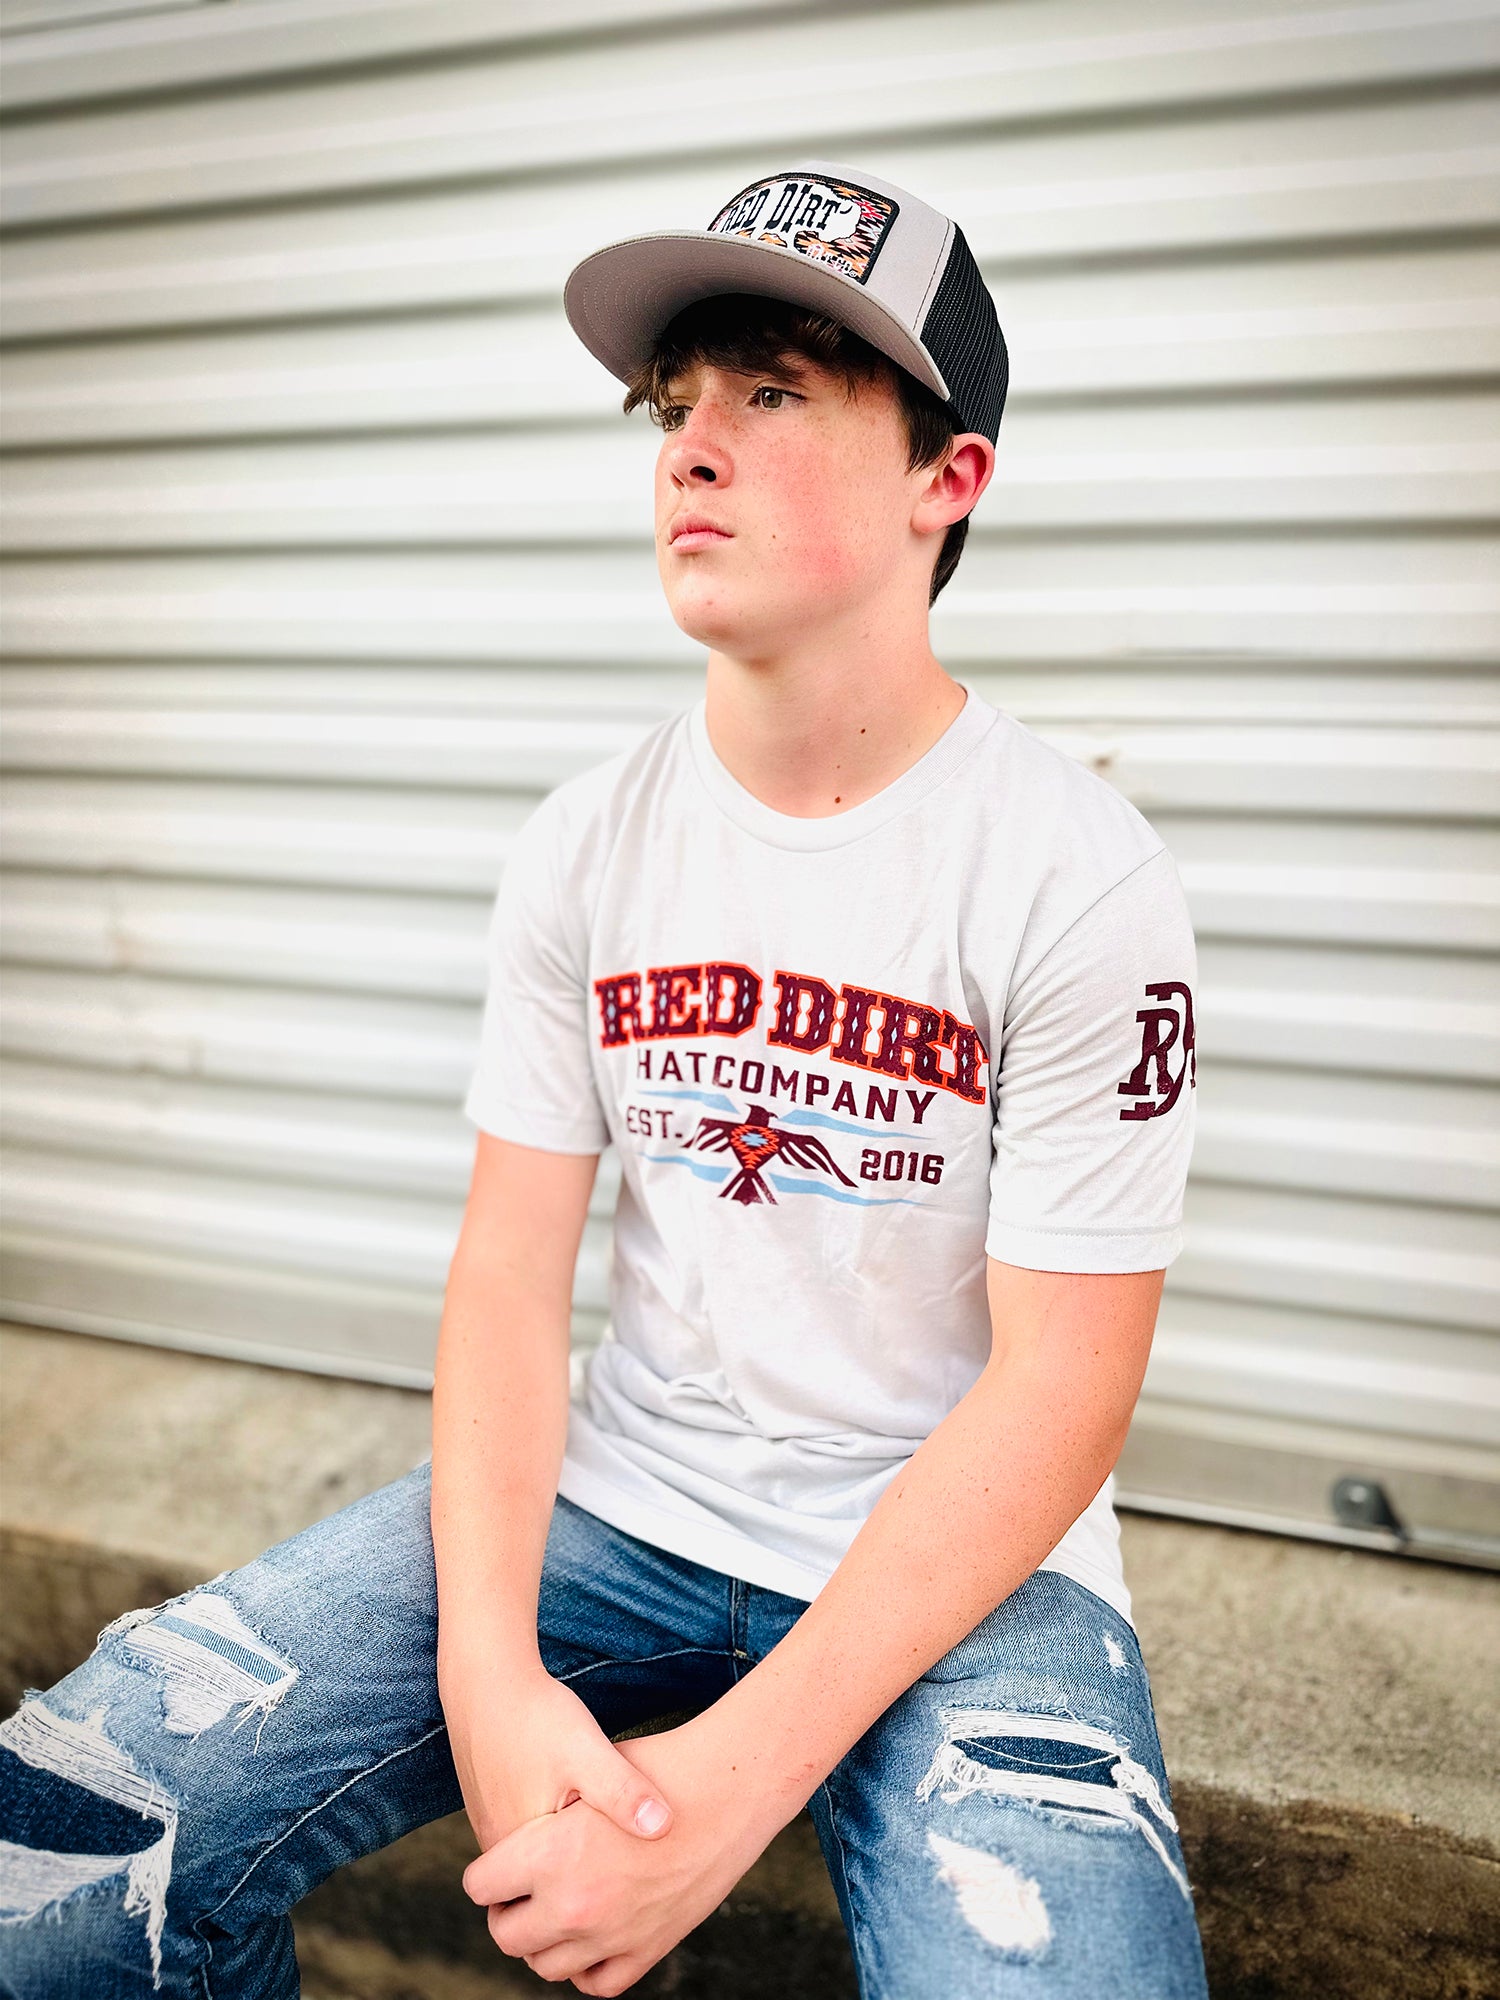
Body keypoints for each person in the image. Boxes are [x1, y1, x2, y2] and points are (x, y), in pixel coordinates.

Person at [0, 161, 1209, 1999]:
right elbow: (506, 1273)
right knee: (59, 1855)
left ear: (944, 483)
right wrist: (491, 1673)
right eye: (677, 402)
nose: (692, 448)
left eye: (778, 394)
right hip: (626, 1505)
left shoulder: (1077, 874)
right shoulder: (589, 843)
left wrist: (730, 1787)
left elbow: (1066, 1387)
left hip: (965, 1572)